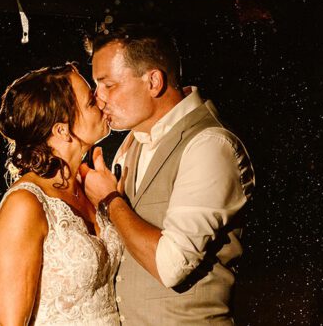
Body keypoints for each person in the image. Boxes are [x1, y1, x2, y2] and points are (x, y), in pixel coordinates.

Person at [80, 24, 255, 325]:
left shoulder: (210, 145)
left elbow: (171, 266)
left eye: (108, 85)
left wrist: (110, 199)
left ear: (154, 81)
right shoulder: (131, 142)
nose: (98, 98)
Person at [0, 63, 123, 326]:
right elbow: (8, 323)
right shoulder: (25, 204)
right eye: (90, 102)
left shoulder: (92, 188)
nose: (101, 100)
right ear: (62, 130)